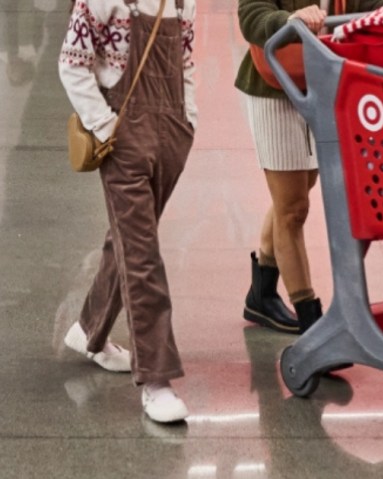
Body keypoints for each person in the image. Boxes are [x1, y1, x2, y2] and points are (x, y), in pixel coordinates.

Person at [235, 0, 383, 334]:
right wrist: (289, 21)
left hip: (323, 83)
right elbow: (251, 15)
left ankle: (262, 291)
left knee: (298, 191)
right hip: (274, 85)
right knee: (292, 208)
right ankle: (311, 320)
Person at [58, 0, 197, 423]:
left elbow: (186, 60)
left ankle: (88, 330)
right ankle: (157, 379)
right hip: (123, 138)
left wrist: (188, 119)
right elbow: (72, 62)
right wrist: (104, 125)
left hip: (171, 133)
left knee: (129, 238)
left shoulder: (182, 2)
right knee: (142, 255)